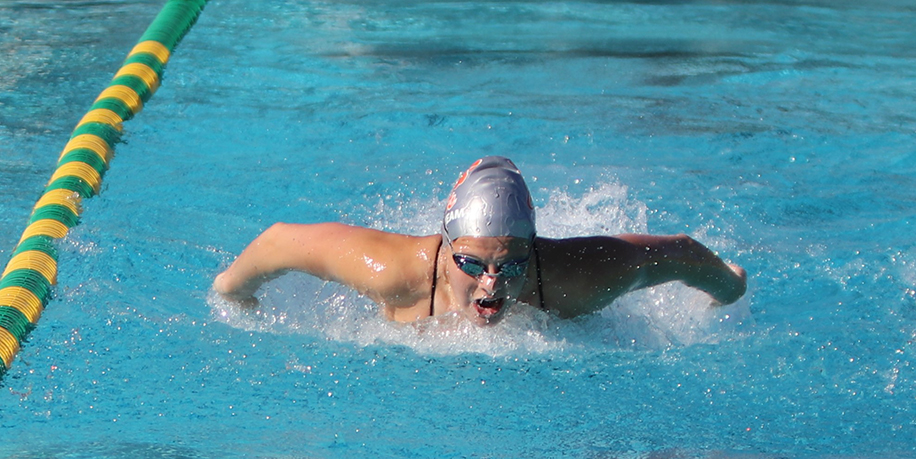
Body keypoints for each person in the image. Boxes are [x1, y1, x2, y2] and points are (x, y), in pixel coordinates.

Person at [213, 157, 746, 325]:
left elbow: (679, 253)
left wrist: (728, 290)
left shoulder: (575, 278)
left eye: (511, 265)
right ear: (447, 249)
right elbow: (280, 241)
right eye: (472, 263)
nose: (492, 284)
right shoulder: (394, 272)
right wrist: (234, 292)